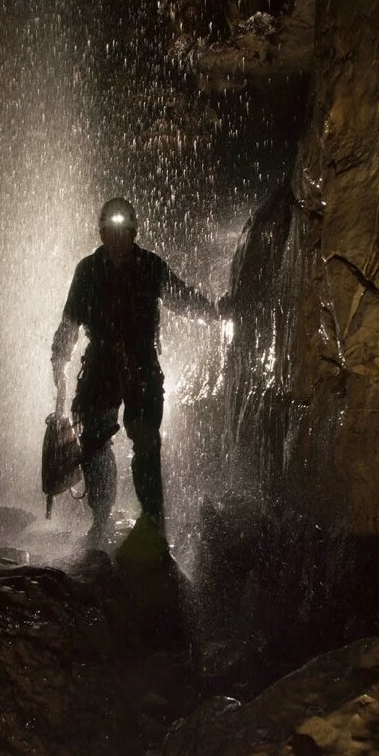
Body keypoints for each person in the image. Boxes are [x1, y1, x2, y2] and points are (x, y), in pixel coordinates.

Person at [51, 196, 218, 547]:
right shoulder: (87, 270)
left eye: (122, 230)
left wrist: (214, 312)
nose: (115, 237)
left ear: (133, 231)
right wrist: (59, 357)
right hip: (101, 363)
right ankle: (101, 519)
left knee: (145, 442)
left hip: (141, 364)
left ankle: (152, 521)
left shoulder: (150, 266)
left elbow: (180, 298)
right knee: (95, 441)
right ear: (100, 233)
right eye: (109, 230)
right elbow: (70, 321)